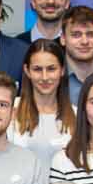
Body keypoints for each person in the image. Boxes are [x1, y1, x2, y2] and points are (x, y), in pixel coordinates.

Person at [6, 38, 73, 166]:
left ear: (62, 70)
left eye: (51, 69)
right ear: (27, 71)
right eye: (37, 69)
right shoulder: (10, 109)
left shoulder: (76, 114)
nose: (44, 77)